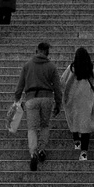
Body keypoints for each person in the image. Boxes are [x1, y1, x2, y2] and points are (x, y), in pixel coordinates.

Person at [14, 40, 63, 172]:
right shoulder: (51, 67)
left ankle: (33, 152)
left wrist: (17, 99)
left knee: (32, 127)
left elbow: (20, 86)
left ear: (36, 51)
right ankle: (41, 149)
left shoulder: (27, 66)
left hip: (31, 99)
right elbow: (58, 88)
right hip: (47, 98)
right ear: (47, 53)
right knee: (44, 125)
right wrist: (58, 103)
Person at [60, 47, 94, 162]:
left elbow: (62, 80)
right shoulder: (91, 68)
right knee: (85, 124)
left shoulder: (71, 68)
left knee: (74, 119)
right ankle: (84, 153)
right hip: (86, 99)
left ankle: (76, 142)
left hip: (73, 98)